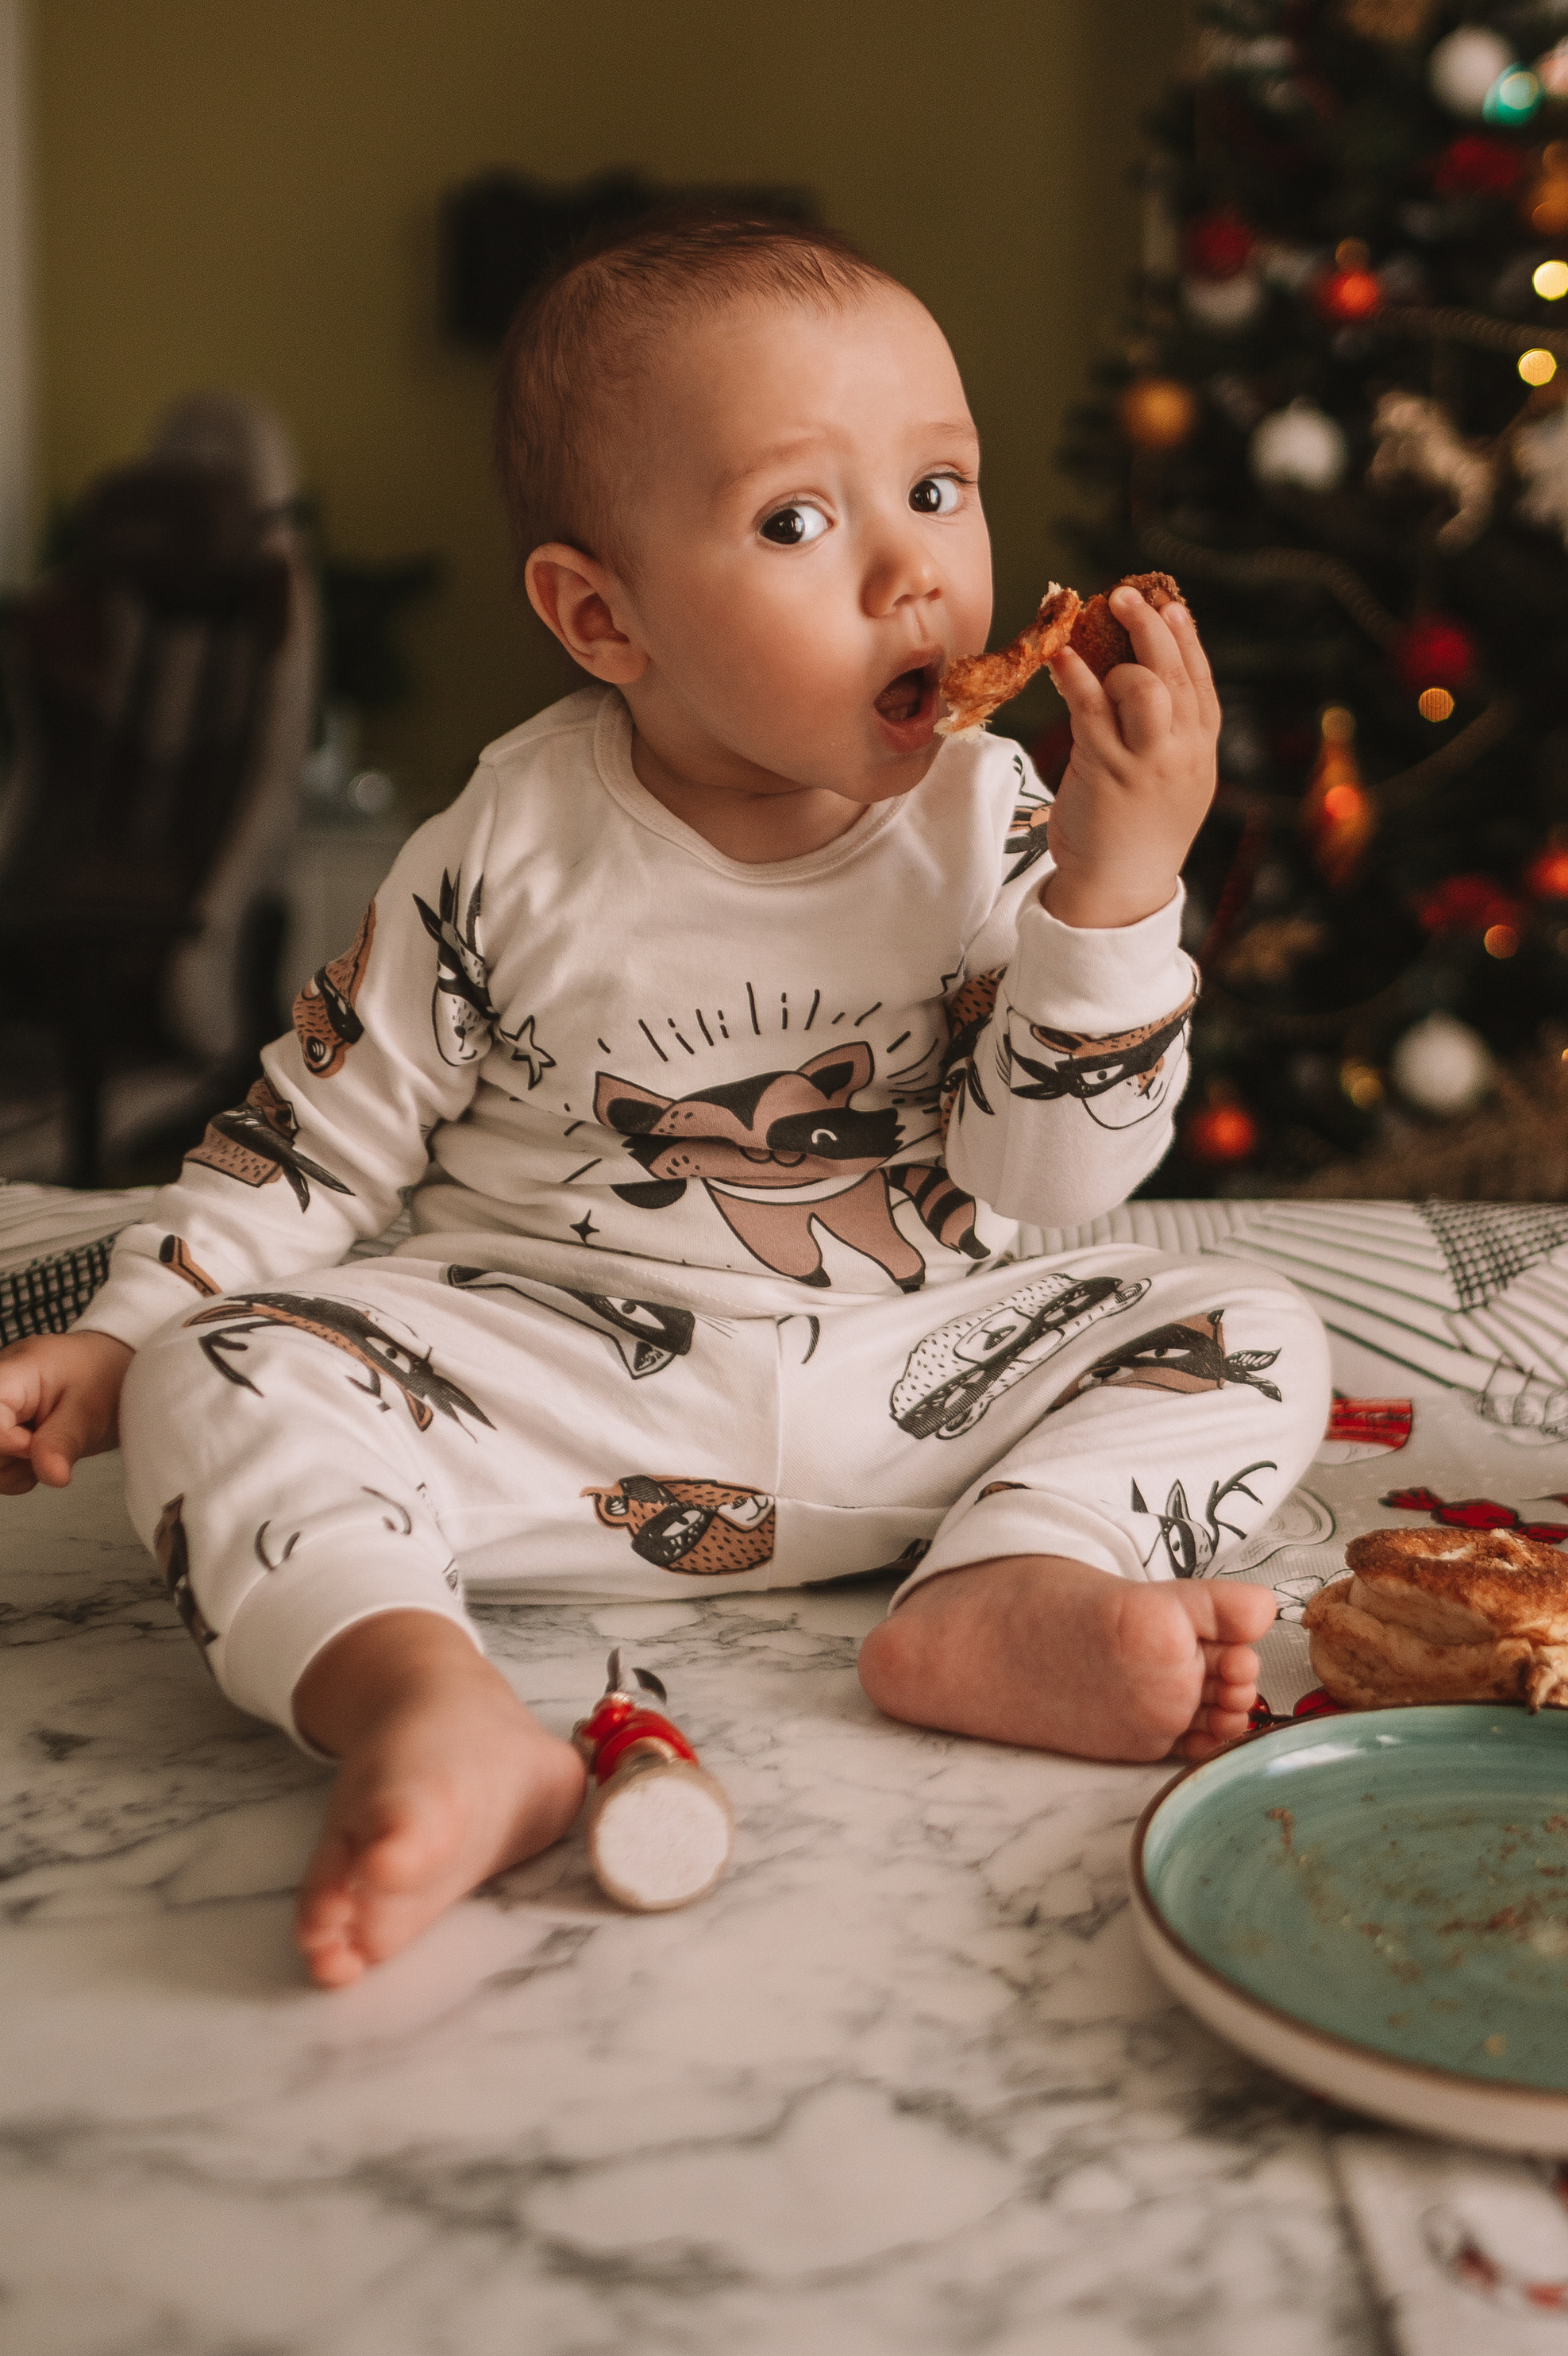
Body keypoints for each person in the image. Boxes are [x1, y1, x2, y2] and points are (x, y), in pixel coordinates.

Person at [0, 215, 1329, 1985]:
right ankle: (424, 1702)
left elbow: (1053, 1179)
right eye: (796, 521)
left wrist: (1116, 889)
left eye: (938, 490)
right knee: (222, 1375)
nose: (911, 575)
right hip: (559, 1395)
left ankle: (1010, 1582)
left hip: (915, 1387)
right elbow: (316, 1138)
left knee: (1249, 1325)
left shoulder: (1005, 818)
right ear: (601, 616)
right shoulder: (511, 843)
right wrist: (131, 1328)